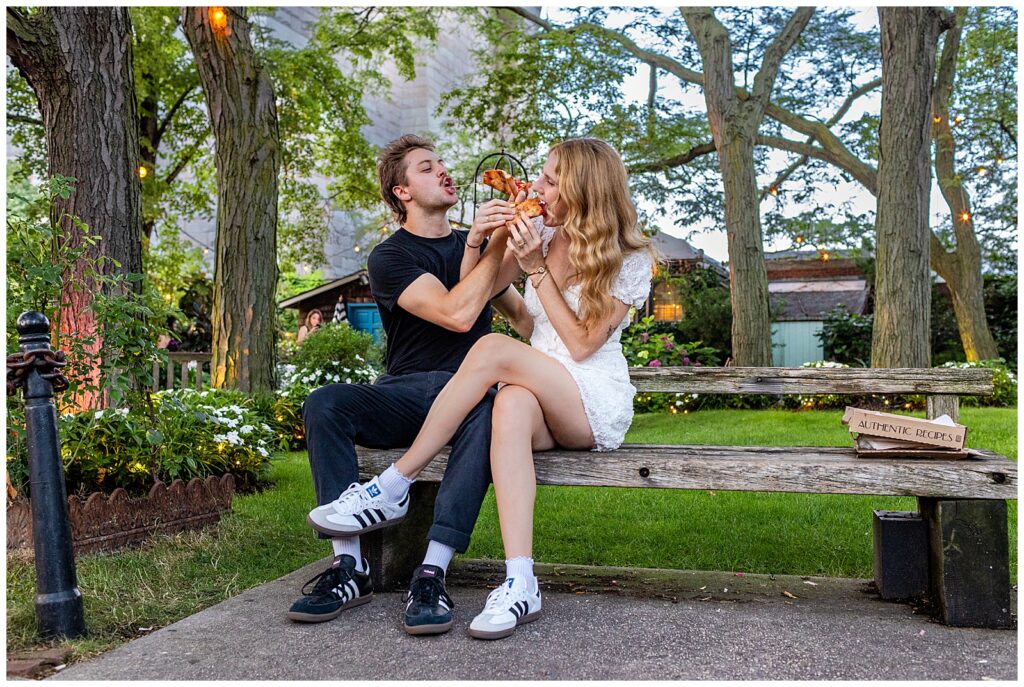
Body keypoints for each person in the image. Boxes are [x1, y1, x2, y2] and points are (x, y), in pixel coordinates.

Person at [310, 138, 656, 639]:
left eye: (551, 180)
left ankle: (392, 485)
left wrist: (535, 267)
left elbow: (581, 346)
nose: (537, 186)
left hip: (588, 395)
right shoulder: (538, 234)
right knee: (508, 406)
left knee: (492, 355)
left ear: (583, 188)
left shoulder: (628, 257)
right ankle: (521, 580)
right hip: (535, 388)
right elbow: (479, 291)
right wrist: (484, 242)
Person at [288, 134, 531, 635]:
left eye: (442, 163)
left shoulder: (479, 246)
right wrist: (488, 248)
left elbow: (526, 323)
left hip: (470, 394)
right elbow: (456, 314)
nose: (443, 171)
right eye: (426, 168)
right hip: (406, 392)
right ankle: (348, 567)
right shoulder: (389, 257)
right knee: (325, 403)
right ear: (401, 192)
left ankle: (432, 571)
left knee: (489, 411)